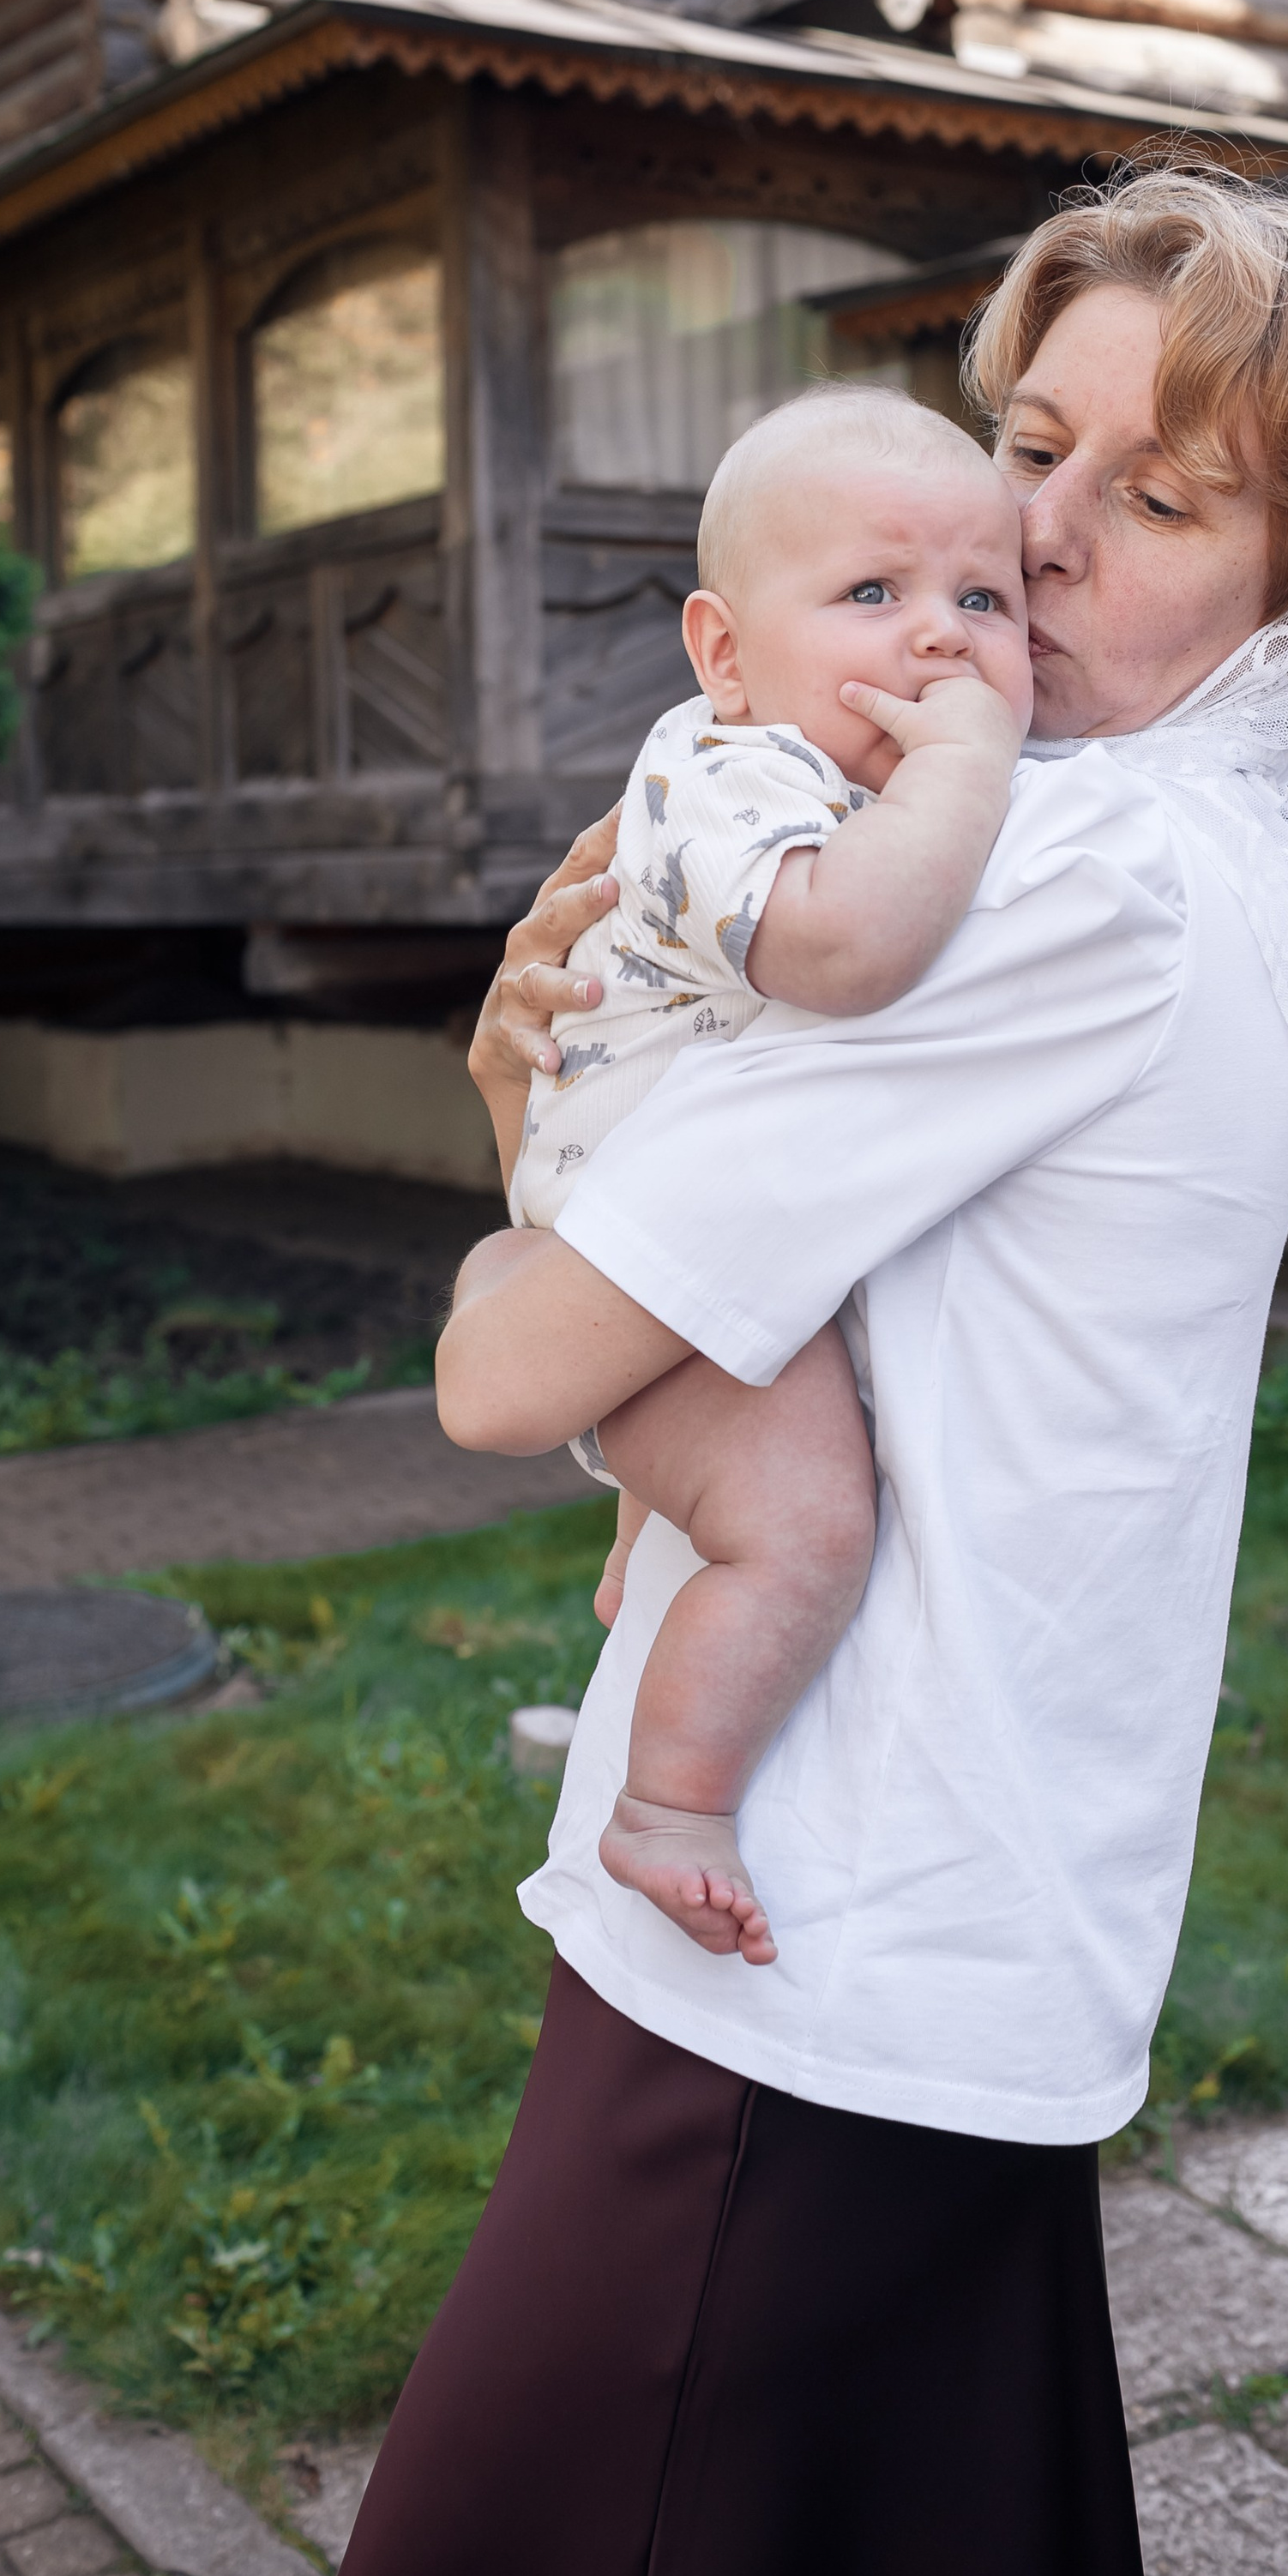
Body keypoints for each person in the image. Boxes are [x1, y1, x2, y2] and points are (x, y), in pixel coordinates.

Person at [290, 159, 1288, 2576]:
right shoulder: (1229, 863)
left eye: (1159, 499)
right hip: (972, 1898)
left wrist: (513, 1116)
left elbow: (510, 1377)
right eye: (1027, 447)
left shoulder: (1067, 876)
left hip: (804, 1927)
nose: (1033, 542)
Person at [485, 386, 1032, 1965]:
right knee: (806, 1531)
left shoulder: (838, 777)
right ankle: (669, 1807)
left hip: (680, 1215)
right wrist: (967, 772)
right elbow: (844, 951)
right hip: (631, 1242)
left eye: (984, 599)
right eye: (872, 591)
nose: (939, 638)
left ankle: (641, 1536)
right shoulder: (730, 780)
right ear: (724, 656)